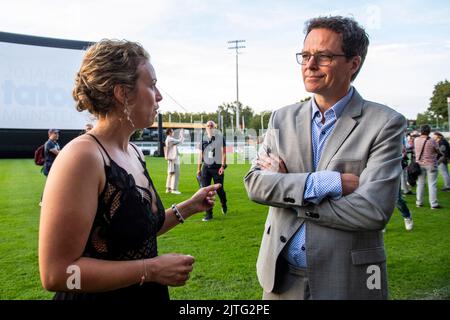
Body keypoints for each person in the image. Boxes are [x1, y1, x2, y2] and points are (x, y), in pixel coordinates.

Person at [39, 39, 220, 301]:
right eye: (152, 85)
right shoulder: (82, 157)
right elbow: (56, 274)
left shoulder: (133, 152)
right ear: (123, 93)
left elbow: (135, 232)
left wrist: (189, 207)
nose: (159, 97)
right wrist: (150, 269)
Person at [244, 16, 406, 300]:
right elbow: (255, 184)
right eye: (305, 55)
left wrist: (287, 191)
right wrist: (326, 184)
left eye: (324, 56)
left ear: (353, 64)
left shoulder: (385, 122)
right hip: (281, 281)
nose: (310, 65)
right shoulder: (281, 117)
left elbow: (373, 210)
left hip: (347, 281)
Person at [197, 120, 228, 221]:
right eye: (208, 126)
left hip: (217, 167)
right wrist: (198, 169)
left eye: (211, 125)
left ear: (214, 127)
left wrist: (223, 166)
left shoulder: (220, 138)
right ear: (206, 128)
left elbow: (223, 153)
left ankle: (223, 203)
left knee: (219, 189)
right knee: (206, 191)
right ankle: (209, 214)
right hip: (206, 167)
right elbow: (200, 155)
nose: (209, 127)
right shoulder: (203, 139)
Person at [414, 125, 441, 209]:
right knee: (432, 184)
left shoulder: (416, 140)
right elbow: (438, 150)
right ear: (429, 131)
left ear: (421, 131)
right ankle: (433, 204)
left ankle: (419, 202)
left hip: (419, 164)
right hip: (431, 164)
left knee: (420, 184)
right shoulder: (432, 140)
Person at [165, 128, 184, 194]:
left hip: (171, 158)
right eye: (172, 132)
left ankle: (168, 189)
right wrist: (181, 134)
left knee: (170, 174)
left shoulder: (168, 139)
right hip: (173, 159)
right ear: (170, 132)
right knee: (176, 174)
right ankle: (174, 189)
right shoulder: (170, 139)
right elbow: (180, 141)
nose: (173, 133)